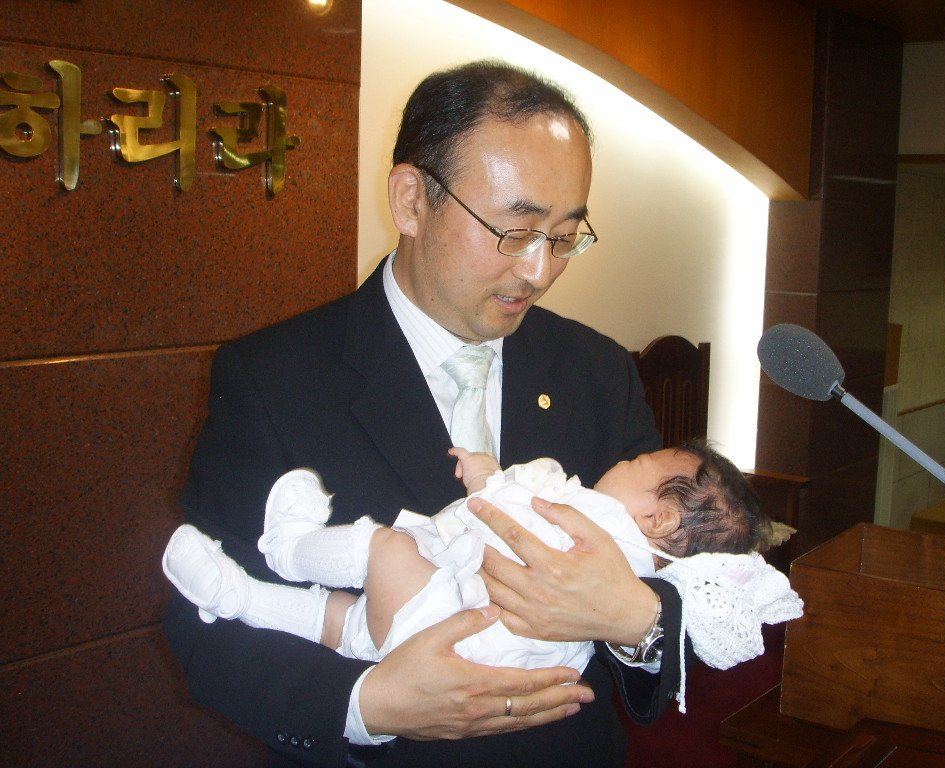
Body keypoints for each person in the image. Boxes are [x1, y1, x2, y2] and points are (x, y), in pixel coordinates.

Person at [164, 60, 683, 768]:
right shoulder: (274, 378)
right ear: (411, 201)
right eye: (515, 230)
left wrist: (637, 622)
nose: (539, 271)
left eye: (564, 236)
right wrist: (368, 705)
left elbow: (684, 572)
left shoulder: (596, 370)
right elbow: (203, 626)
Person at [163, 441, 781, 687]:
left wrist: (490, 480)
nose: (624, 458)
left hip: (453, 628)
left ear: (661, 518)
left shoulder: (602, 526)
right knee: (345, 623)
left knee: (384, 550)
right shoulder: (630, 553)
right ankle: (238, 597)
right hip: (460, 648)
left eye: (639, 462)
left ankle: (289, 546)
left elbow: (515, 519)